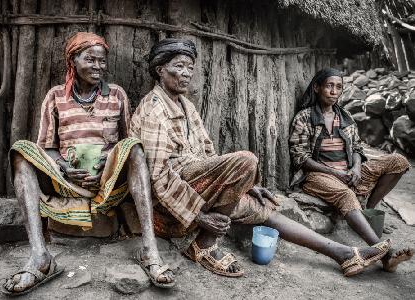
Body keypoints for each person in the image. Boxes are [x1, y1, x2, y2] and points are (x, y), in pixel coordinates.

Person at [129, 38, 392, 278]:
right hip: (171, 208)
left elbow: (208, 154)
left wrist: (245, 185)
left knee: (265, 209)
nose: (187, 73)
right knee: (246, 161)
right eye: (179, 66)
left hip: (200, 189)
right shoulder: (154, 110)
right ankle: (203, 245)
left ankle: (343, 254)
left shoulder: (186, 105)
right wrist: (199, 216)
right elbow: (157, 177)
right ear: (160, 70)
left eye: (190, 67)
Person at [2, 32, 174, 296]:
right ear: (73, 60)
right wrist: (65, 168)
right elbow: (47, 147)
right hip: (66, 180)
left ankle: (150, 250)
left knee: (135, 148)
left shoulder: (116, 95)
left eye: (102, 61)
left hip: (107, 184)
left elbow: (125, 145)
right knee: (21, 152)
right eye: (90, 59)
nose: (98, 66)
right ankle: (40, 256)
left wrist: (107, 166)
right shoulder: (56, 96)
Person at [289, 68, 413, 273]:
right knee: (346, 195)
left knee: (398, 161)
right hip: (317, 176)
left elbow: (356, 148)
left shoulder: (345, 117)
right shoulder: (305, 118)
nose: (334, 91)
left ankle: (367, 212)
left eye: (338, 87)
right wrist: (335, 173)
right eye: (329, 86)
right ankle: (383, 252)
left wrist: (356, 167)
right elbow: (300, 158)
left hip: (348, 173)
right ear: (317, 87)